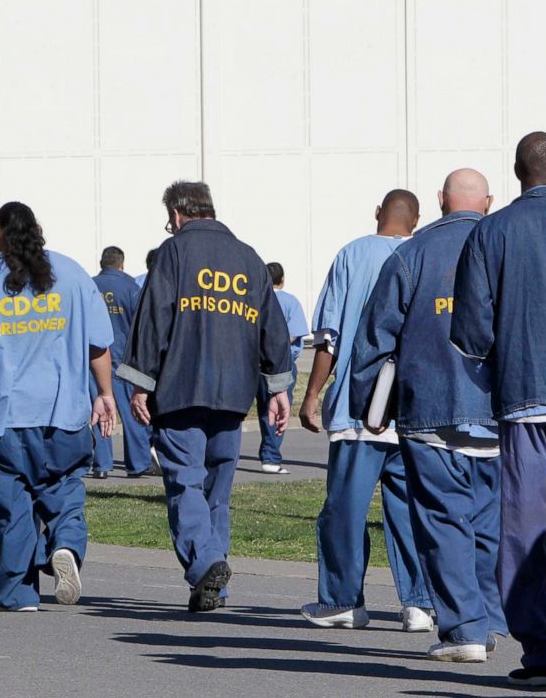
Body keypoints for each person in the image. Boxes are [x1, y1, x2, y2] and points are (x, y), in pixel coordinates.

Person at [451, 132, 546, 690]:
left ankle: (540, 653)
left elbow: (469, 333)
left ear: (519, 173)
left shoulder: (490, 231)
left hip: (520, 403)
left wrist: (497, 374)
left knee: (523, 528)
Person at [0, 201, 116, 612]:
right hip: (61, 414)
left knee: (3, 508)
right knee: (64, 487)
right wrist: (105, 394)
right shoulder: (73, 274)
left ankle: (15, 592)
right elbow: (99, 344)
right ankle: (64, 543)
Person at [351, 169, 505, 663]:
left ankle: (464, 629)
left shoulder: (411, 254)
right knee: (487, 522)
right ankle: (489, 619)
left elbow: (376, 336)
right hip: (498, 411)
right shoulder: (504, 247)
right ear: (488, 202)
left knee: (442, 521)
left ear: (440, 201)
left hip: (431, 408)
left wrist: (366, 404)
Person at [118, 181, 293, 612]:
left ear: (178, 215)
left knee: (184, 480)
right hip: (233, 392)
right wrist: (278, 388)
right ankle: (214, 584)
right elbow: (273, 328)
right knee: (217, 488)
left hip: (181, 387)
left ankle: (208, 560)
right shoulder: (250, 258)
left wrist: (141, 381)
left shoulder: (174, 252)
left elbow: (154, 316)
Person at [298, 190, 432, 632]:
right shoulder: (423, 253)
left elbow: (329, 336)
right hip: (414, 405)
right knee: (410, 507)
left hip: (361, 405)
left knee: (345, 507)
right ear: (417, 219)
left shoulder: (352, 255)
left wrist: (313, 393)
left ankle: (342, 599)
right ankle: (418, 602)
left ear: (378, 213)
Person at [86, 246, 156, 479]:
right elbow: (142, 326)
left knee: (101, 409)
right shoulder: (131, 288)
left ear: (101, 263)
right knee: (132, 412)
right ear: (121, 264)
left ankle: (102, 465)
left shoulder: (89, 286)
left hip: (95, 358)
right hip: (124, 358)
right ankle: (137, 463)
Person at [255, 263, 308, 474]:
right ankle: (271, 457)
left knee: (262, 409)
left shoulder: (257, 299)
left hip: (255, 363)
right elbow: (293, 334)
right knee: (277, 410)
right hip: (282, 365)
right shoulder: (290, 301)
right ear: (282, 279)